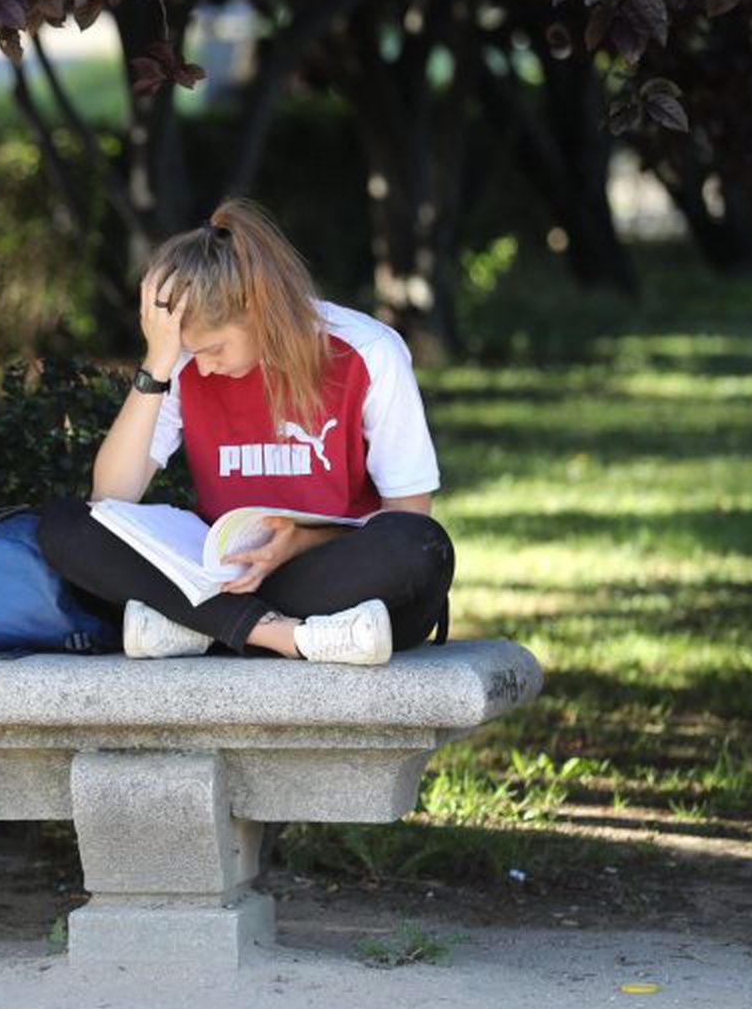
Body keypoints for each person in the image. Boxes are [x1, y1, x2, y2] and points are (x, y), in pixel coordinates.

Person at [38, 199, 453, 663]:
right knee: (67, 525)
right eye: (194, 353)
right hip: (224, 576)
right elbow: (112, 494)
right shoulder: (183, 361)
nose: (205, 367)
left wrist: (298, 541)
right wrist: (157, 364)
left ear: (259, 310)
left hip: (322, 571)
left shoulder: (369, 351)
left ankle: (195, 625)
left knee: (420, 548)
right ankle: (279, 635)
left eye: (214, 348)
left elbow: (410, 516)